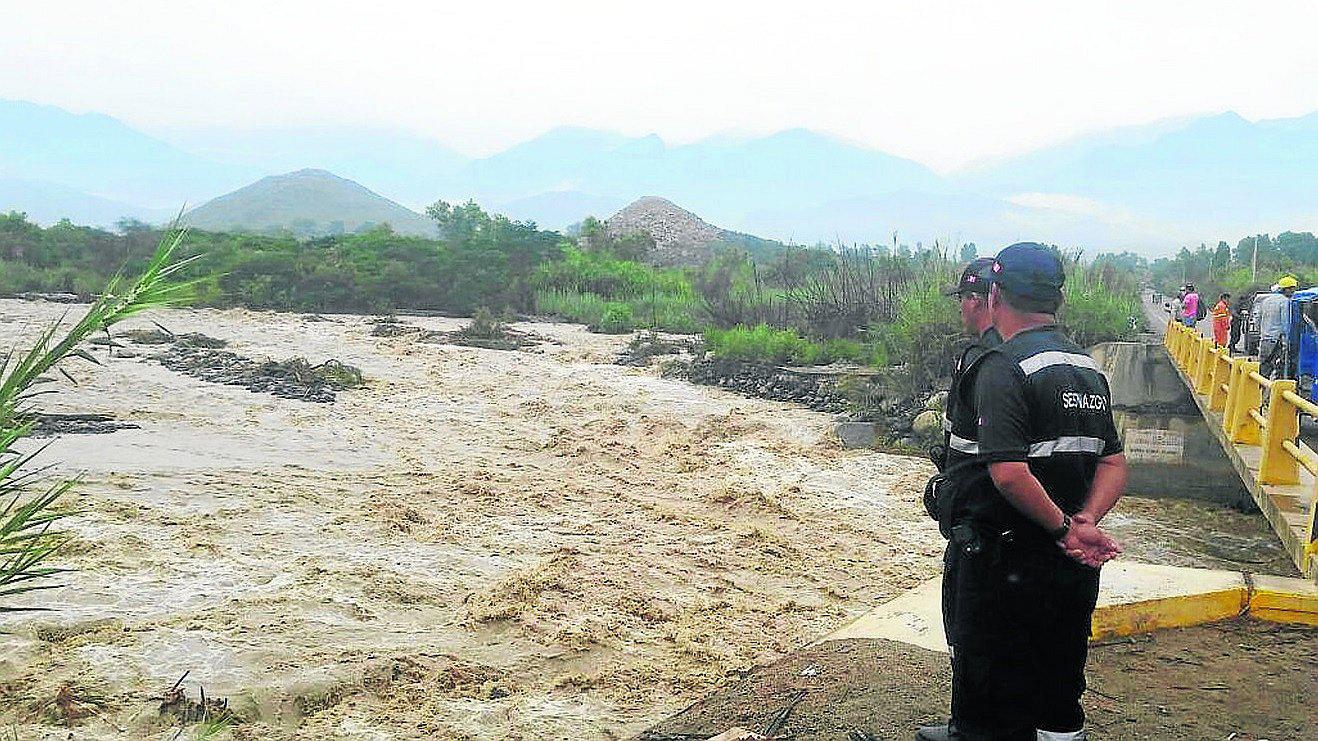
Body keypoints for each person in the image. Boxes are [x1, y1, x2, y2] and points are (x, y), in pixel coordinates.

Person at [918, 243, 1126, 741]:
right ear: (1058, 299)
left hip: (1006, 559)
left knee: (991, 686)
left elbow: (1009, 473)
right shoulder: (1086, 367)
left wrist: (1063, 529)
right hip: (1069, 565)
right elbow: (1113, 462)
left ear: (995, 295)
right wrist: (1085, 523)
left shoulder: (1003, 366)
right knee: (1060, 683)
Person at [1256, 277, 1298, 378]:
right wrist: (1286, 341)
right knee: (1280, 366)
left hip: (1264, 339)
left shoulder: (1266, 301)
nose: (1293, 291)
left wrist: (1261, 333)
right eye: (1292, 289)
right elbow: (1285, 323)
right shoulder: (1285, 301)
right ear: (1286, 289)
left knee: (1263, 367)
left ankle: (1260, 386)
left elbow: (1258, 319)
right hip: (1276, 340)